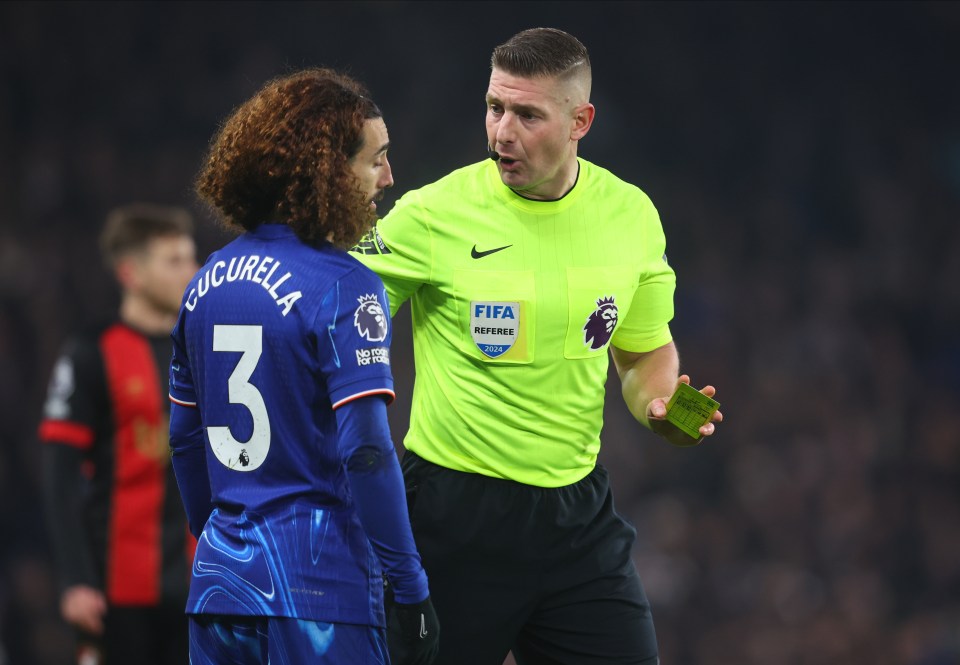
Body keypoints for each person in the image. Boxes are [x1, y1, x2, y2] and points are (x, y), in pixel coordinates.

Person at [351, 27, 723, 665]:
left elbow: (642, 353)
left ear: (581, 121)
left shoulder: (630, 217)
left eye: (527, 114)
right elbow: (342, 315)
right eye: (495, 108)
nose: (501, 132)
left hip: (575, 519)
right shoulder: (433, 214)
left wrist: (664, 408)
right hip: (450, 518)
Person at [168, 67, 439, 665]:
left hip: (218, 590)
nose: (389, 178)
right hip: (319, 593)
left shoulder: (202, 283)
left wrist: (217, 542)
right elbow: (366, 450)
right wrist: (411, 586)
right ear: (330, 170)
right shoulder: (346, 286)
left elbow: (185, 441)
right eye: (377, 160)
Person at [38, 203, 200, 665]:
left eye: (192, 258)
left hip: (199, 586)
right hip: (117, 592)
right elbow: (59, 474)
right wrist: (75, 579)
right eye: (175, 261)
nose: (193, 271)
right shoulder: (90, 353)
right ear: (131, 273)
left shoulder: (206, 350)